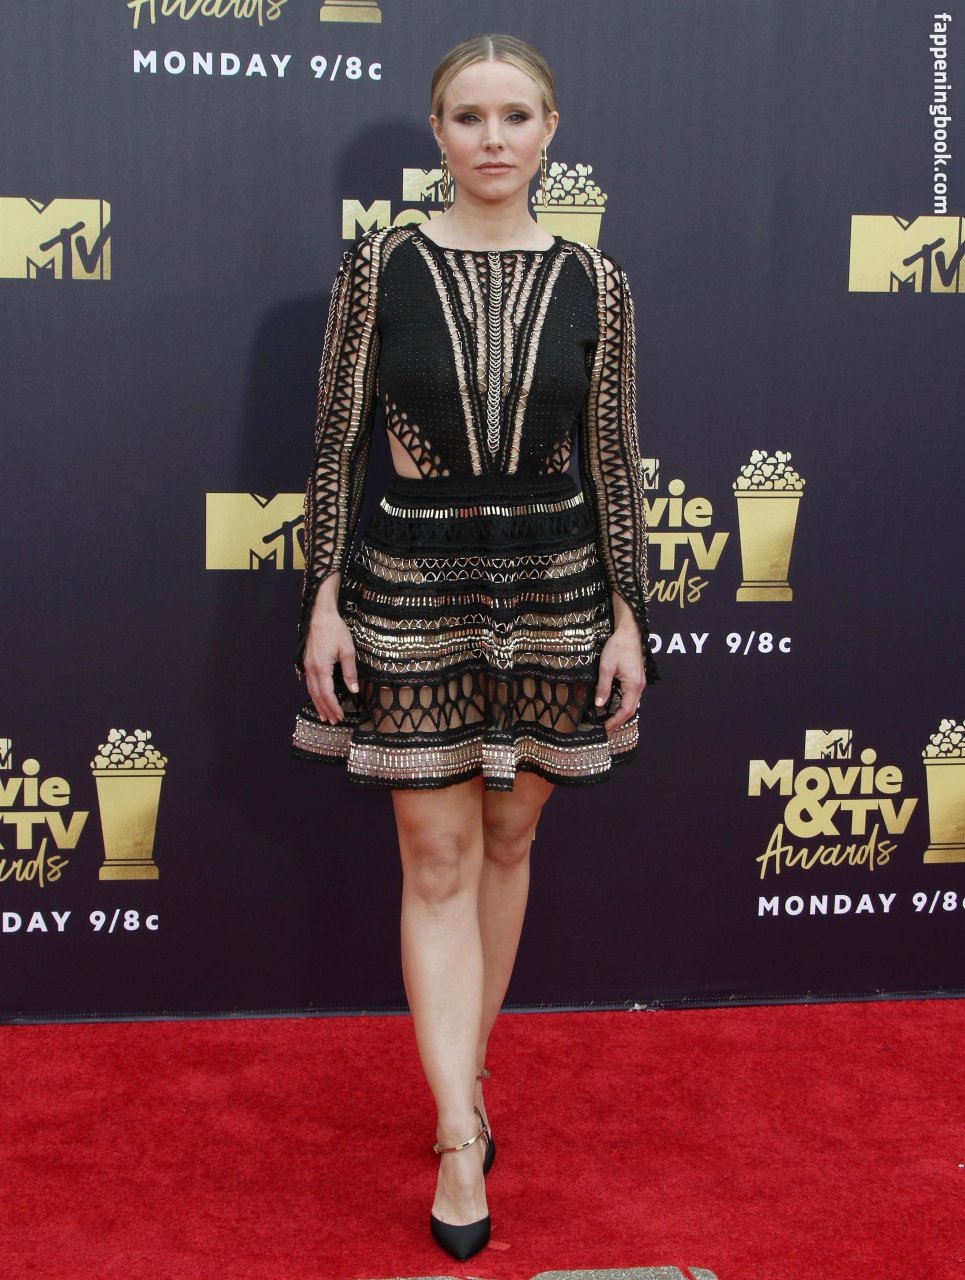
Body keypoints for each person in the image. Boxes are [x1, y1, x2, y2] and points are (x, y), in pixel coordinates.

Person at [292, 32, 658, 1262]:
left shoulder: (595, 283)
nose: (491, 138)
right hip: (408, 579)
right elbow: (337, 439)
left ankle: (471, 1068)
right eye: (467, 116)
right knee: (436, 856)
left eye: (514, 115)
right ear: (436, 134)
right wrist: (323, 596)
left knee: (508, 839)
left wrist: (627, 614)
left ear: (550, 131)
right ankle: (456, 1129)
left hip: (557, 583)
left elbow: (613, 459)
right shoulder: (378, 264)